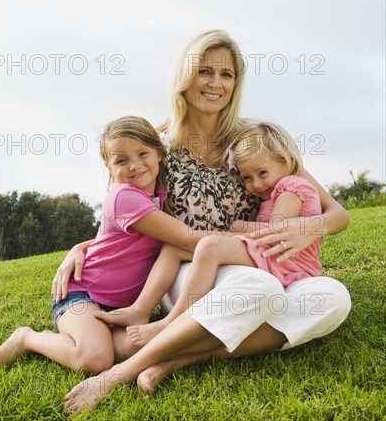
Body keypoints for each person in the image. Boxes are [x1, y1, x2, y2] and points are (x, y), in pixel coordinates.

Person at [55, 29, 351, 414]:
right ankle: (123, 371)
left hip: (254, 258)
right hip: (184, 266)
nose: (215, 84)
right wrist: (79, 249)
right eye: (204, 71)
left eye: (226, 75)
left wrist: (307, 228)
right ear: (184, 76)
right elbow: (119, 211)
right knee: (259, 289)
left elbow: (338, 213)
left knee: (333, 297)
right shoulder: (155, 145)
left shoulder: (253, 140)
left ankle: (182, 357)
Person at [0, 116, 226, 373]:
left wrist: (80, 247)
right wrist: (246, 237)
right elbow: (187, 237)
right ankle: (28, 338)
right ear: (109, 167)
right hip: (83, 296)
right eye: (122, 160)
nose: (135, 166)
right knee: (95, 359)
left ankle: (99, 336)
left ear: (158, 153)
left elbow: (115, 241)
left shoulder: (158, 196)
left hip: (122, 307)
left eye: (142, 153)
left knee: (137, 346)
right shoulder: (123, 196)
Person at [105, 120, 326, 348]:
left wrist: (239, 227)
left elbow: (278, 230)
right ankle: (140, 310)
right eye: (247, 178)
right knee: (174, 248)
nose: (256, 184)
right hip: (274, 253)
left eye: (262, 173)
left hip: (287, 259)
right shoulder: (277, 189)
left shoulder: (292, 187)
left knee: (211, 247)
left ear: (286, 162)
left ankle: (171, 322)